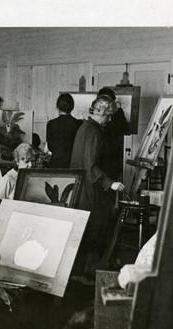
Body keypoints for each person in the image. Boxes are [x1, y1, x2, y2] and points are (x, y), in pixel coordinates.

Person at [70, 95, 125, 279]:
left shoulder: (86, 127)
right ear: (100, 112)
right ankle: (87, 273)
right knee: (93, 229)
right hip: (90, 189)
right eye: (108, 116)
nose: (109, 120)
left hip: (84, 187)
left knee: (86, 230)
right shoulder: (93, 132)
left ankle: (83, 272)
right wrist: (111, 183)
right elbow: (91, 166)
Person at [97, 87, 128, 181]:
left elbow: (124, 130)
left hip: (108, 158)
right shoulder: (118, 113)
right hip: (109, 159)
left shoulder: (116, 114)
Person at [46, 93, 83, 168]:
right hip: (73, 163)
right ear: (72, 106)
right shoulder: (79, 124)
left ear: (58, 106)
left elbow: (50, 147)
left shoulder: (51, 124)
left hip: (55, 163)